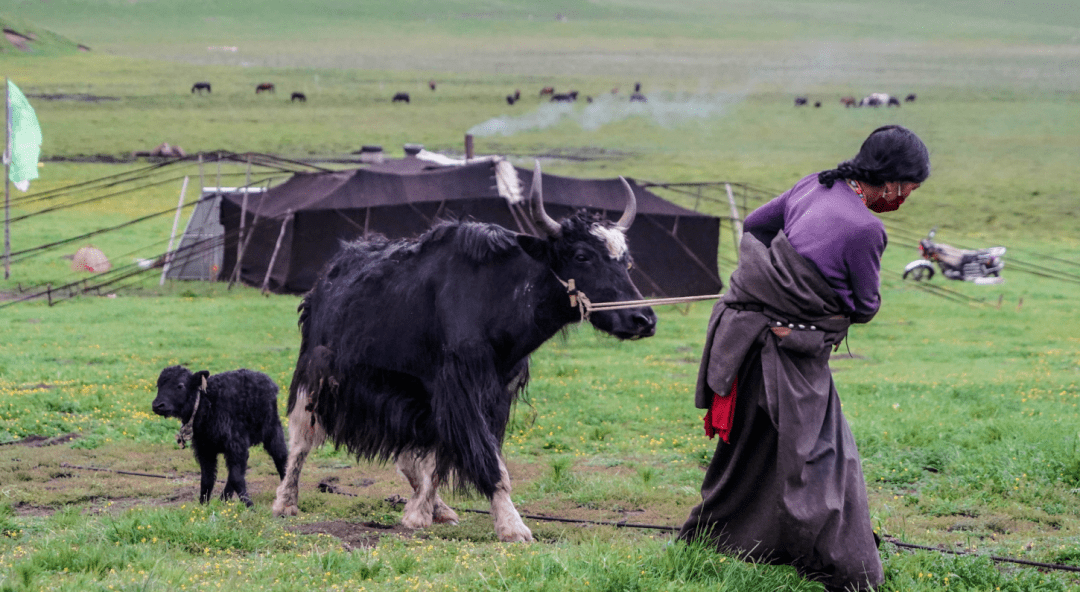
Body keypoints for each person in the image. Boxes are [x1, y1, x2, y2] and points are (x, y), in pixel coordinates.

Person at [677, 125, 930, 591]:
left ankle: (716, 539)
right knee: (823, 460)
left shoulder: (816, 183)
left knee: (750, 452)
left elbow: (755, 225)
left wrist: (775, 281)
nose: (907, 197)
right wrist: (796, 297)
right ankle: (847, 567)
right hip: (788, 356)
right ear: (892, 181)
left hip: (743, 343)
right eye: (910, 189)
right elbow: (866, 307)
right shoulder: (865, 228)